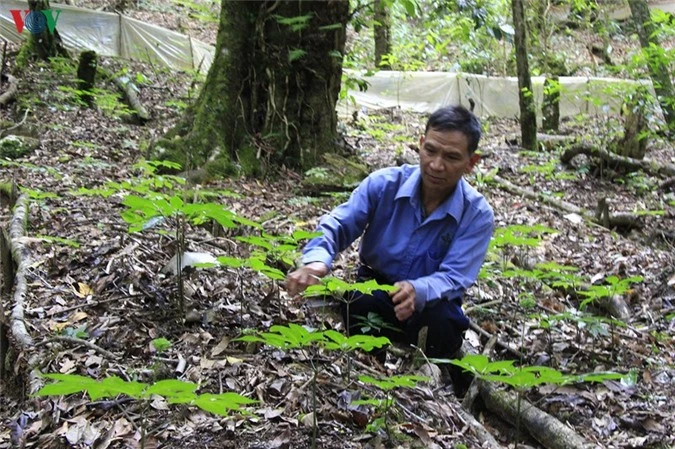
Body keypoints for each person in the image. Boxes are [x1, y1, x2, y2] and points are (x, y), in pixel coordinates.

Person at [286, 105, 494, 360]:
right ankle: (367, 367)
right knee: (360, 301)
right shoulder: (384, 184)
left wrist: (419, 290)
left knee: (444, 325)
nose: (436, 165)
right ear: (420, 144)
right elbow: (339, 222)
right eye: (430, 150)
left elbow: (455, 276)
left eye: (451, 157)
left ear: (471, 163)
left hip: (432, 303)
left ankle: (430, 382)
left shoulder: (476, 214)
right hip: (376, 287)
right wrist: (317, 259)